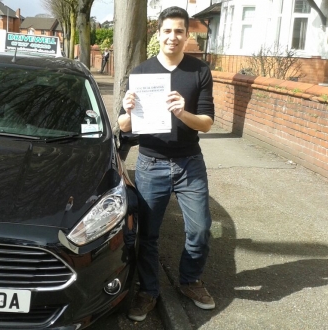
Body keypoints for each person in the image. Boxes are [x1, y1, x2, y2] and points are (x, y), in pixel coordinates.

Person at [118, 6, 215, 322]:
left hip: (189, 164)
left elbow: (206, 123)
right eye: (167, 31)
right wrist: (129, 111)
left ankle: (189, 281)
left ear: (187, 36)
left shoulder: (199, 72)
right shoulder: (141, 72)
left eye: (179, 31)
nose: (173, 36)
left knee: (200, 229)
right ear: (158, 34)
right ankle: (148, 291)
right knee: (148, 234)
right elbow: (123, 126)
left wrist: (183, 113)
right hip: (151, 164)